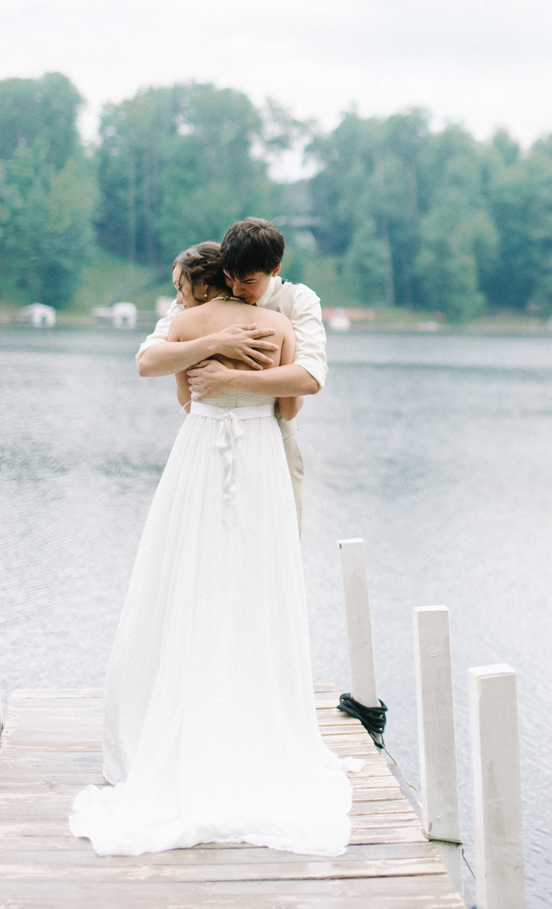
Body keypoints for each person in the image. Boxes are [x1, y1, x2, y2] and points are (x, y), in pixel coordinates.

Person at [69, 242, 357, 857]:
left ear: (203, 283)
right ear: (233, 276)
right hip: (259, 457)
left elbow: (180, 393)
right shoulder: (277, 324)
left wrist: (213, 371)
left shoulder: (187, 321)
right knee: (255, 582)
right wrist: (238, 370)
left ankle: (170, 725)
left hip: (198, 456)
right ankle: (253, 727)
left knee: (186, 575)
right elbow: (291, 402)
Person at [135, 218, 327, 534]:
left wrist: (228, 380)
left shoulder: (297, 301)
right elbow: (148, 362)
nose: (237, 290)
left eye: (249, 282)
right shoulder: (200, 296)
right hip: (212, 441)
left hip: (276, 443)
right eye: (230, 278)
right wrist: (217, 342)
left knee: (279, 542)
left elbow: (309, 378)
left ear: (275, 270)